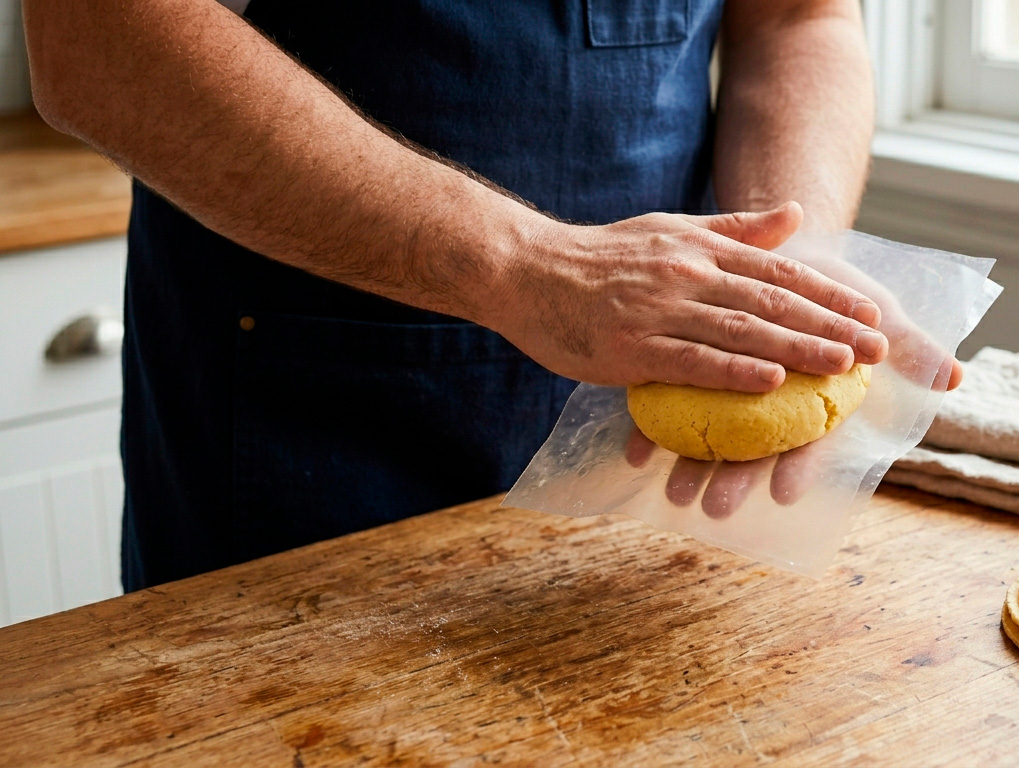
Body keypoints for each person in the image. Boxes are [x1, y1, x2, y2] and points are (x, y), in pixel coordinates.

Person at [25, 0, 953, 591]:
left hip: (647, 440)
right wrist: (533, 269)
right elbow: (98, 38)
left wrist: (790, 258)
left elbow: (798, 17)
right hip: (306, 421)